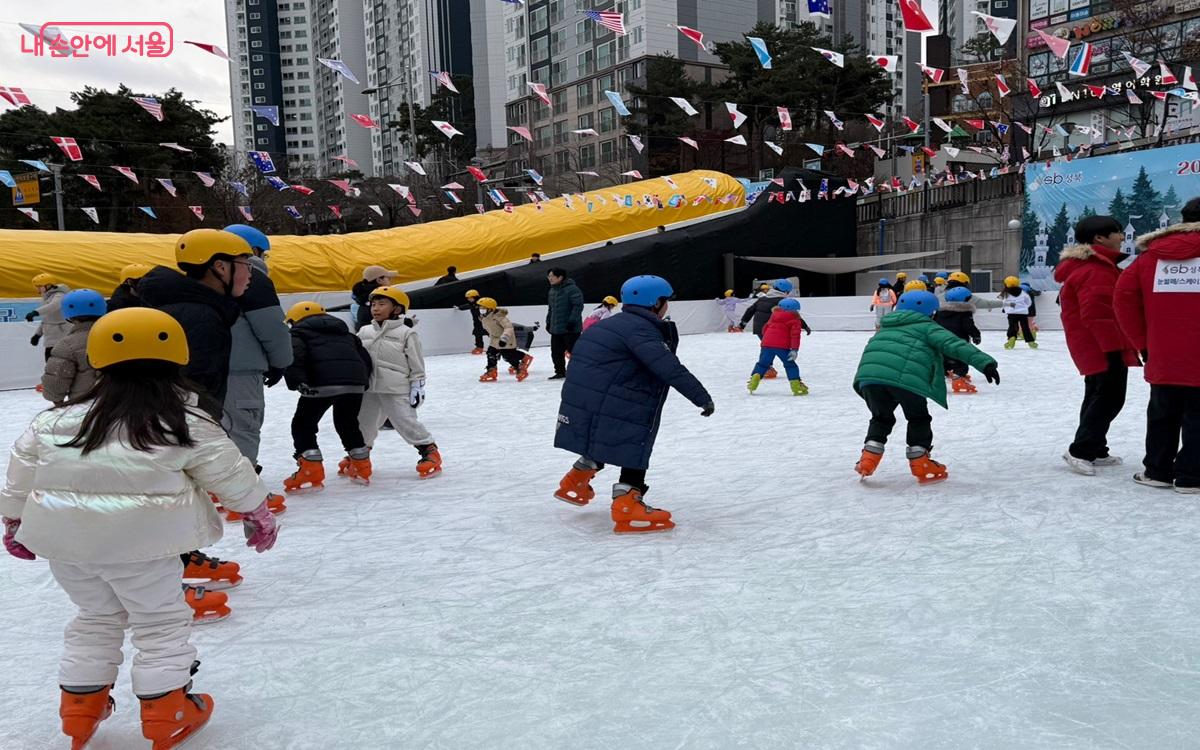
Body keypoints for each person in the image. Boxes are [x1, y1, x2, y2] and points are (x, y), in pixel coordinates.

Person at [0, 307, 277, 750]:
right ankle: (167, 710)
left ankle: (79, 709)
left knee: (95, 619)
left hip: (68, 549)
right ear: (177, 360)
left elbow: (20, 477)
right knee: (160, 622)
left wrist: (14, 520)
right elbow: (230, 474)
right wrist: (256, 511)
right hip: (144, 551)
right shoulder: (184, 421)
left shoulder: (53, 421)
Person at [552, 275, 714, 533]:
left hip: (589, 396)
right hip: (618, 396)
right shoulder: (640, 329)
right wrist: (701, 397)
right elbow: (668, 367)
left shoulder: (612, 324)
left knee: (607, 433)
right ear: (656, 302)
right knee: (634, 438)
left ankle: (575, 480)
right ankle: (627, 504)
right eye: (666, 301)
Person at [852, 291, 999, 483]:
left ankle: (868, 459)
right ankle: (919, 460)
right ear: (931, 313)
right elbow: (954, 344)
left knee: (881, 418)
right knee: (918, 418)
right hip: (905, 380)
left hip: (869, 379)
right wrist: (985, 363)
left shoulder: (885, 327)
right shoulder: (927, 327)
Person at [1114, 197, 1200, 493]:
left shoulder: (1149, 258)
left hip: (1162, 352)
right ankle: (1192, 476)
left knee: (1163, 411)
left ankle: (1158, 470)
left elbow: (1123, 301)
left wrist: (1142, 342)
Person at [1056, 215, 1141, 476]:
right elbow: (1097, 313)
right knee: (1109, 397)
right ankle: (1081, 449)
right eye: (1116, 232)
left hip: (1097, 344)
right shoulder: (1095, 270)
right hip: (1102, 345)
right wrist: (1112, 348)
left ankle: (1095, 447)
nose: (1122, 237)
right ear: (1099, 238)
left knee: (1097, 395)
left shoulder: (1098, 266)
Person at [136, 229, 252, 420]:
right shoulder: (201, 318)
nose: (250, 274)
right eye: (246, 265)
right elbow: (196, 386)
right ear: (221, 267)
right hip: (185, 427)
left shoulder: (180, 306)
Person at [220, 224, 293, 468]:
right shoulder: (253, 277)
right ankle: (242, 493)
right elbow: (273, 327)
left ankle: (215, 485)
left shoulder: (204, 275)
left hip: (201, 368)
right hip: (240, 368)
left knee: (212, 427)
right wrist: (280, 363)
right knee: (242, 426)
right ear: (252, 250)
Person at [281, 301, 373, 493]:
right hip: (354, 385)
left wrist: (298, 382)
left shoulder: (297, 334)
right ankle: (362, 464)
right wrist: (362, 381)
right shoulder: (346, 334)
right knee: (348, 423)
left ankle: (310, 468)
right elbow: (364, 358)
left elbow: (294, 357)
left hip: (320, 386)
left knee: (303, 424)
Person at [357, 286, 443, 480]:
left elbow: (416, 361)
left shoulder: (406, 333)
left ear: (397, 309)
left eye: (382, 304)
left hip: (396, 387)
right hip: (370, 388)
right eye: (373, 304)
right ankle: (361, 456)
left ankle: (428, 450)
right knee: (364, 423)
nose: (375, 308)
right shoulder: (364, 331)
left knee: (405, 420)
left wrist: (417, 385)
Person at [41, 289, 106, 404]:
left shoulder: (67, 345)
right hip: (120, 404)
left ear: (69, 316)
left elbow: (55, 382)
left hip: (84, 404)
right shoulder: (118, 336)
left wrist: (57, 401)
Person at [739, 279, 809, 378]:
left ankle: (765, 367)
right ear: (786, 291)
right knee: (776, 347)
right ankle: (768, 367)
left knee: (767, 347)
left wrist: (743, 323)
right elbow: (793, 316)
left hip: (760, 328)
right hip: (773, 328)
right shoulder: (783, 302)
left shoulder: (762, 298)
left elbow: (750, 310)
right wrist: (805, 326)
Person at [747, 297, 808, 396]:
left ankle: (755, 377)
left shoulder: (774, 315)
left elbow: (765, 328)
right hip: (782, 346)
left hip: (766, 344)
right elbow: (795, 335)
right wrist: (794, 349)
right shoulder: (795, 319)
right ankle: (796, 384)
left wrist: (766, 340)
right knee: (790, 365)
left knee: (762, 364)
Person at [933, 286, 983, 394]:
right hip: (958, 341)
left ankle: (946, 373)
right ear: (965, 300)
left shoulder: (940, 311)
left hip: (941, 340)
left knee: (944, 358)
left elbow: (934, 323)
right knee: (961, 360)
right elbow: (968, 325)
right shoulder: (965, 312)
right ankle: (958, 379)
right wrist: (976, 335)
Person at [477, 297, 533, 382]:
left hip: (506, 339)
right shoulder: (484, 317)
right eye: (480, 308)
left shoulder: (500, 317)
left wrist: (504, 338)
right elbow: (490, 327)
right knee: (491, 353)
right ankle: (491, 370)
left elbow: (509, 327)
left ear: (490, 309)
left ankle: (520, 368)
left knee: (509, 356)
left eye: (483, 308)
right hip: (495, 340)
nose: (481, 310)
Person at [546, 267, 584, 380]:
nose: (550, 278)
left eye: (552, 276)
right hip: (556, 328)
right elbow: (551, 309)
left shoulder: (572, 289)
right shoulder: (552, 291)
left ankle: (579, 371)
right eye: (548, 276)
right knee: (556, 352)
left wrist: (572, 321)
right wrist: (548, 321)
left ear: (560, 277)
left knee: (574, 351)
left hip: (570, 328)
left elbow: (578, 306)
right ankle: (560, 371)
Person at [27, 273, 71, 362]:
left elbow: (54, 305)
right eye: (36, 286)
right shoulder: (46, 297)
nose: (38, 288)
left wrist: (35, 312)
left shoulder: (60, 295)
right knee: (50, 365)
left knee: (60, 365)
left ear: (48, 285)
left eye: (39, 286)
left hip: (62, 336)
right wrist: (37, 334)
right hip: (50, 339)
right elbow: (46, 319)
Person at [351, 265, 398, 330]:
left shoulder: (364, 299)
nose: (391, 281)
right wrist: (408, 322)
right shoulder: (380, 297)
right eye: (388, 278)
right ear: (379, 280)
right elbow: (386, 324)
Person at [1000, 276, 1037, 349]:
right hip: (1023, 313)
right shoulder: (1023, 292)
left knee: (1012, 326)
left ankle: (1012, 338)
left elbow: (1004, 303)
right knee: (1025, 327)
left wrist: (1006, 309)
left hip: (1011, 313)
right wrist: (1024, 307)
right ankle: (1031, 341)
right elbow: (1029, 302)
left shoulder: (1006, 294)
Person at [456, 289, 487, 354]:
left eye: (471, 298)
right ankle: (479, 347)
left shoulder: (481, 303)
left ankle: (497, 346)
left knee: (491, 333)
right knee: (477, 334)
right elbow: (466, 306)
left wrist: (484, 316)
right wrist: (459, 307)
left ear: (476, 297)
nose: (469, 299)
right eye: (468, 298)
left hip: (485, 322)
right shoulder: (471, 304)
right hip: (477, 323)